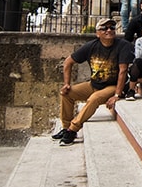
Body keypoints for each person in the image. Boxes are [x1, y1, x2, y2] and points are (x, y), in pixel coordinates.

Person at [54, 17, 133, 146]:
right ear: (97, 33)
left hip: (112, 86)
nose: (109, 30)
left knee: (94, 98)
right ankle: (65, 128)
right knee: (67, 94)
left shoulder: (123, 45)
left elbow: (123, 71)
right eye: (104, 28)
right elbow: (68, 62)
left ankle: (73, 130)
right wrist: (67, 84)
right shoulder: (91, 46)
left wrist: (117, 95)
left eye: (112, 28)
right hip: (93, 84)